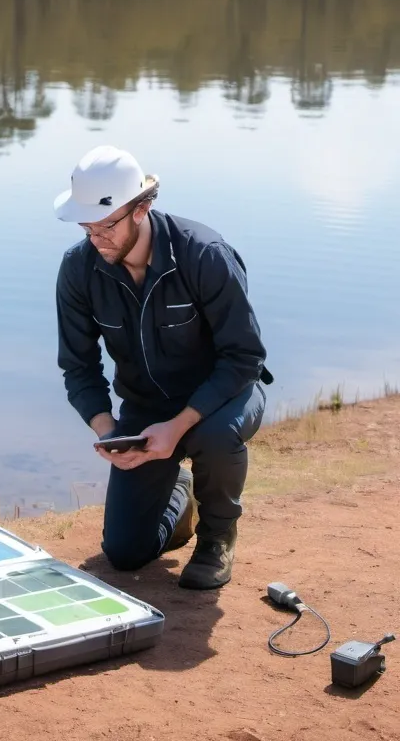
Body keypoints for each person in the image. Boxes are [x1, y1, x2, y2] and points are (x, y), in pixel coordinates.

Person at [53, 146, 272, 589]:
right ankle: (180, 493)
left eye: (107, 224)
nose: (97, 238)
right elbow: (78, 367)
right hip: (145, 407)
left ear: (142, 208)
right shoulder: (78, 270)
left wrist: (178, 427)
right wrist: (110, 433)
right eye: (87, 227)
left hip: (223, 397)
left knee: (213, 435)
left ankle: (217, 538)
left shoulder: (204, 254)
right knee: (124, 554)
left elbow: (244, 357)